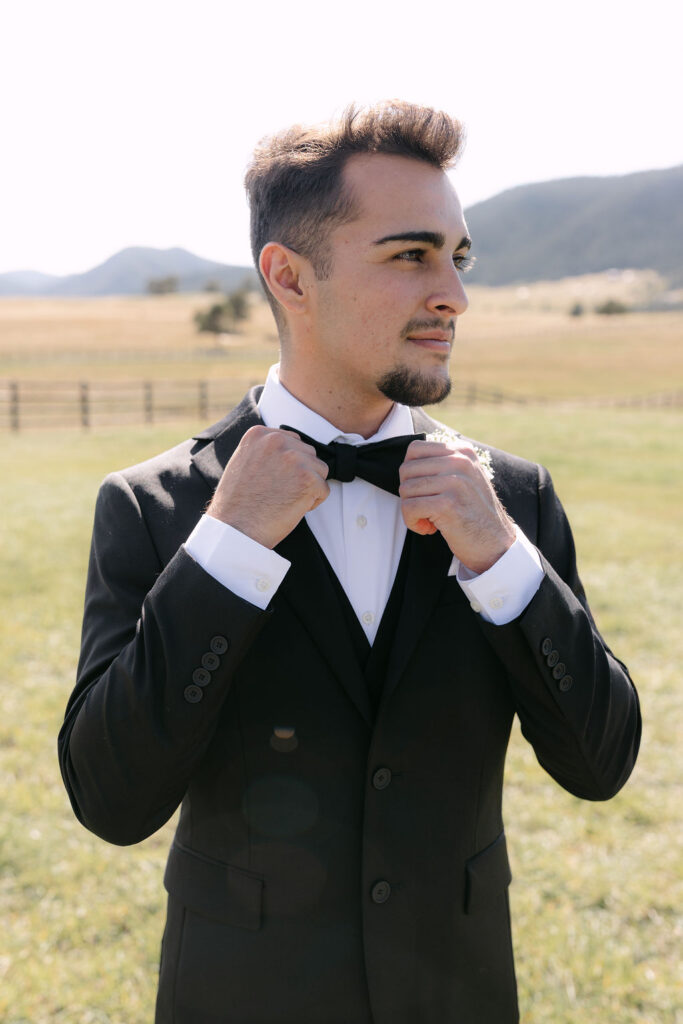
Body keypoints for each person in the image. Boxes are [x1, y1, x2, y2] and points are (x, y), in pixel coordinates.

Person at [58, 101, 641, 1024]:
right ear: (289, 275)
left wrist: (498, 559)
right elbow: (111, 800)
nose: (452, 292)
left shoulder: (513, 501)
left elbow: (601, 763)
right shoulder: (155, 508)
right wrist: (228, 547)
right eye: (411, 255)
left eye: (459, 256)